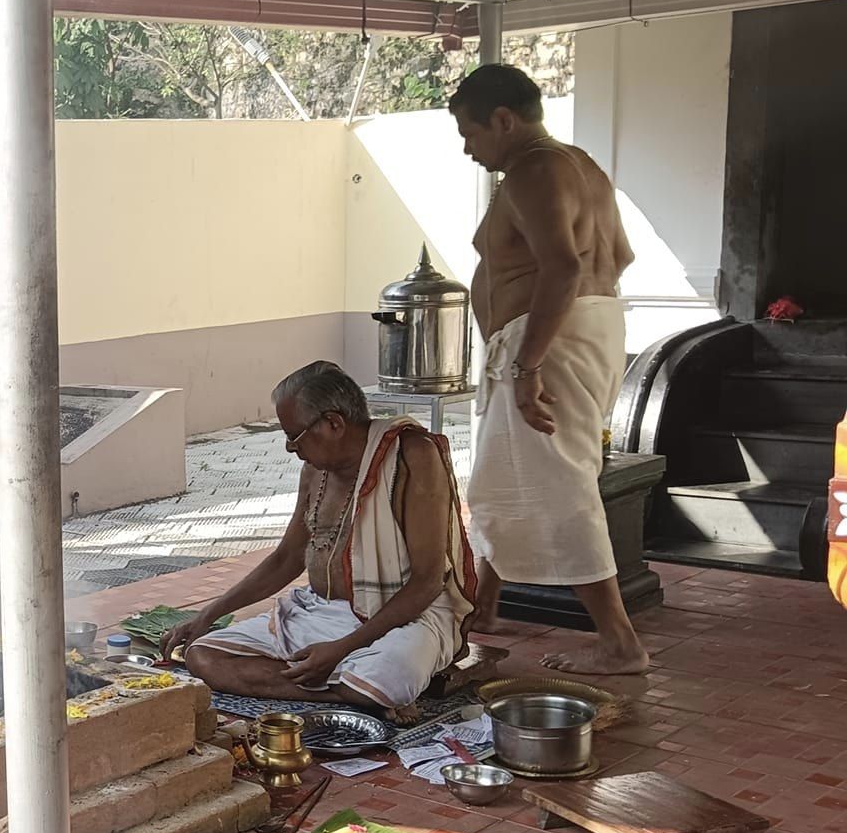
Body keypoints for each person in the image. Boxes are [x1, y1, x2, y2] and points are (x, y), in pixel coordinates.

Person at [451, 63, 648, 676]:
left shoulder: (533, 169)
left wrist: (527, 364)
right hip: (580, 332)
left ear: (504, 120)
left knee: (559, 484)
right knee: (511, 478)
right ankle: (483, 606)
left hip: (548, 344)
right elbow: (616, 256)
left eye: (471, 132)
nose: (467, 147)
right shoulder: (579, 164)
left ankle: (619, 642)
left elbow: (561, 268)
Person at [181, 362, 476, 708]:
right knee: (203, 657)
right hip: (319, 613)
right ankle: (349, 691)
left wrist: (343, 649)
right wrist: (208, 615)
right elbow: (287, 558)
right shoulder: (314, 470)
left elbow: (427, 582)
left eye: (294, 435)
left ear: (334, 423)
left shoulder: (412, 456)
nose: (290, 448)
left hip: (405, 619)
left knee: (390, 675)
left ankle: (357, 683)